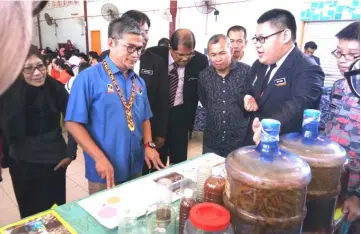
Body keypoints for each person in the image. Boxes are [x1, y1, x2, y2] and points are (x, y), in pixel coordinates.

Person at [65, 17, 165, 194]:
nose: (136, 55)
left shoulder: (138, 82)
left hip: (134, 164)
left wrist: (148, 145)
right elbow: (73, 123)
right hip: (104, 168)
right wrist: (99, 157)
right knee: (104, 217)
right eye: (130, 47)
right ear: (111, 42)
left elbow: (145, 118)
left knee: (133, 215)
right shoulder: (88, 78)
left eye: (139, 49)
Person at [0, 45, 77, 218]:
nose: (37, 73)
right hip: (21, 163)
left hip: (54, 161)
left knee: (55, 213)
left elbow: (73, 120)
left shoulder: (55, 88)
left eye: (40, 66)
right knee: (29, 214)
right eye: (28, 68)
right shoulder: (7, 93)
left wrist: (70, 153)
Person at [245, 9, 324, 146]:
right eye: (256, 39)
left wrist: (269, 128)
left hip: (284, 148)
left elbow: (297, 106)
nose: (257, 44)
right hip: (254, 139)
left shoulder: (308, 69)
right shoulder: (259, 64)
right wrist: (247, 96)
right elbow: (247, 89)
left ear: (285, 36)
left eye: (262, 39)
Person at [148, 29, 208, 165]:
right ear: (170, 47)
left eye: (189, 54)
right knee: (156, 160)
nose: (185, 59)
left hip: (181, 116)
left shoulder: (200, 61)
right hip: (156, 115)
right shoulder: (153, 55)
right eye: (180, 54)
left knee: (179, 161)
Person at [120, 10, 169, 165]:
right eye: (138, 31)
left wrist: (161, 133)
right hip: (120, 133)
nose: (144, 36)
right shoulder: (109, 59)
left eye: (146, 31)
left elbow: (162, 99)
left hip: (149, 130)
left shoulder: (157, 62)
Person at [326, 21, 360, 233]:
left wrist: (358, 196)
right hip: (333, 182)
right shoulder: (338, 86)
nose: (342, 60)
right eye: (339, 53)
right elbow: (328, 130)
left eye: (353, 55)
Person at [198, 34, 250, 157]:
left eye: (222, 53)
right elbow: (204, 100)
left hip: (240, 141)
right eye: (213, 55)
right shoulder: (204, 76)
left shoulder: (247, 72)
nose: (218, 59)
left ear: (231, 51)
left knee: (237, 175)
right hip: (212, 141)